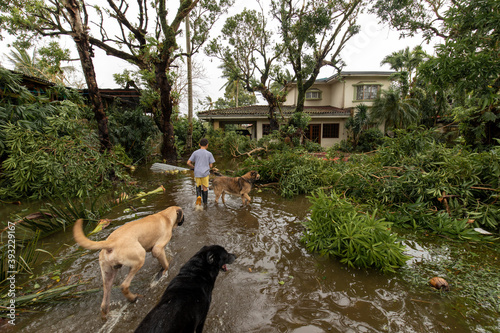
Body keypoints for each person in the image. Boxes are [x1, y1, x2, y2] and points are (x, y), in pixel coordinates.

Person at [187, 138, 215, 205]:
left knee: (198, 186)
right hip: (205, 173)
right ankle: (205, 203)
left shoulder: (195, 152)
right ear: (207, 145)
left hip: (197, 173)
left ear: (199, 144)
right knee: (205, 187)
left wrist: (193, 167)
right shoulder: (209, 154)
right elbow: (211, 165)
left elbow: (188, 162)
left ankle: (199, 198)